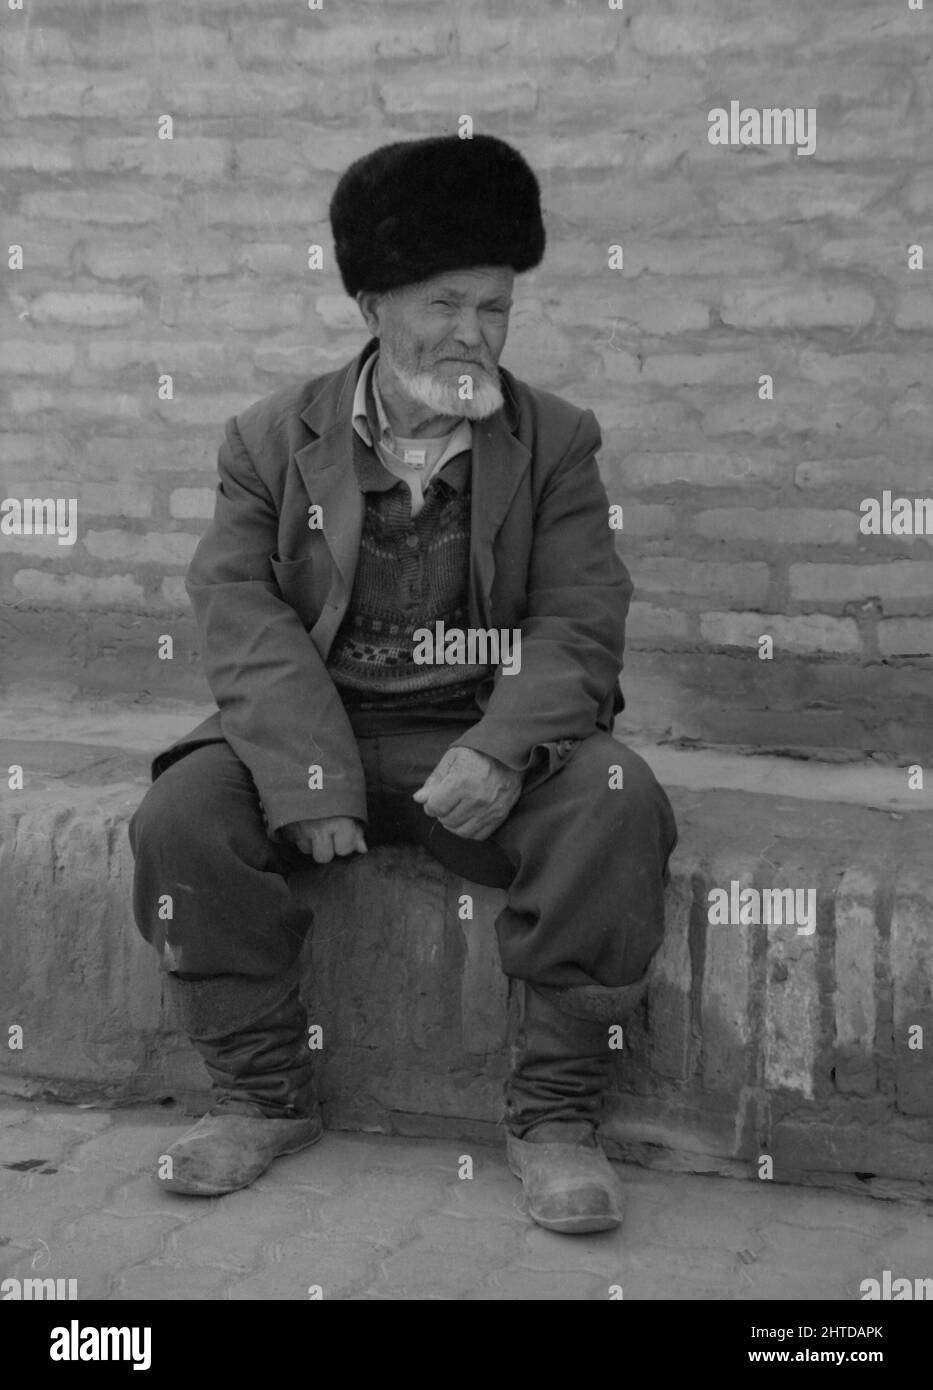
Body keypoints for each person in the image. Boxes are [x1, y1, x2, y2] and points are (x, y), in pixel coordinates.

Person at [128, 133, 677, 1235]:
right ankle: (260, 1099)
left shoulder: (556, 440)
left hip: (471, 735)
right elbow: (240, 618)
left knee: (619, 805)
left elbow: (581, 619)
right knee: (183, 814)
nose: (473, 335)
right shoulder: (270, 440)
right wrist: (313, 773)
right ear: (373, 302)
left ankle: (556, 1121)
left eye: (496, 308)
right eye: (443, 304)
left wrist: (504, 745)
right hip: (316, 732)